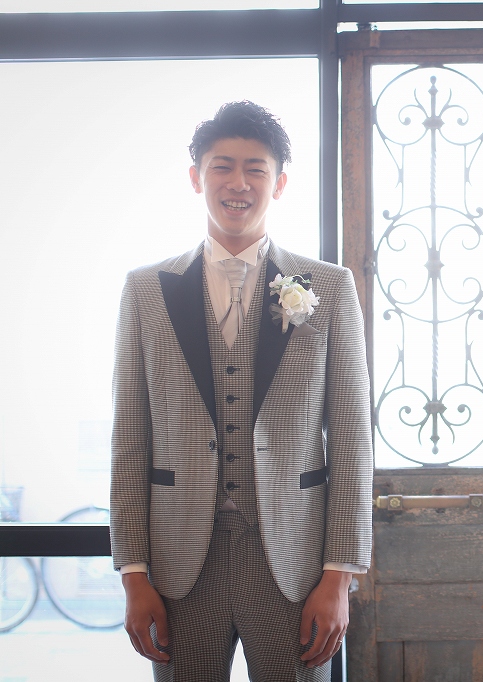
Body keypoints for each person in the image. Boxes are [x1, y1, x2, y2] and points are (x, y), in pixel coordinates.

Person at [110, 101, 372, 681]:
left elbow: (352, 438)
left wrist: (339, 576)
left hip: (295, 567)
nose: (238, 183)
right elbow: (129, 439)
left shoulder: (329, 287)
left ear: (278, 183)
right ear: (196, 177)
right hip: (178, 569)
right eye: (222, 167)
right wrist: (133, 574)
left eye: (255, 169)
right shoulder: (145, 290)